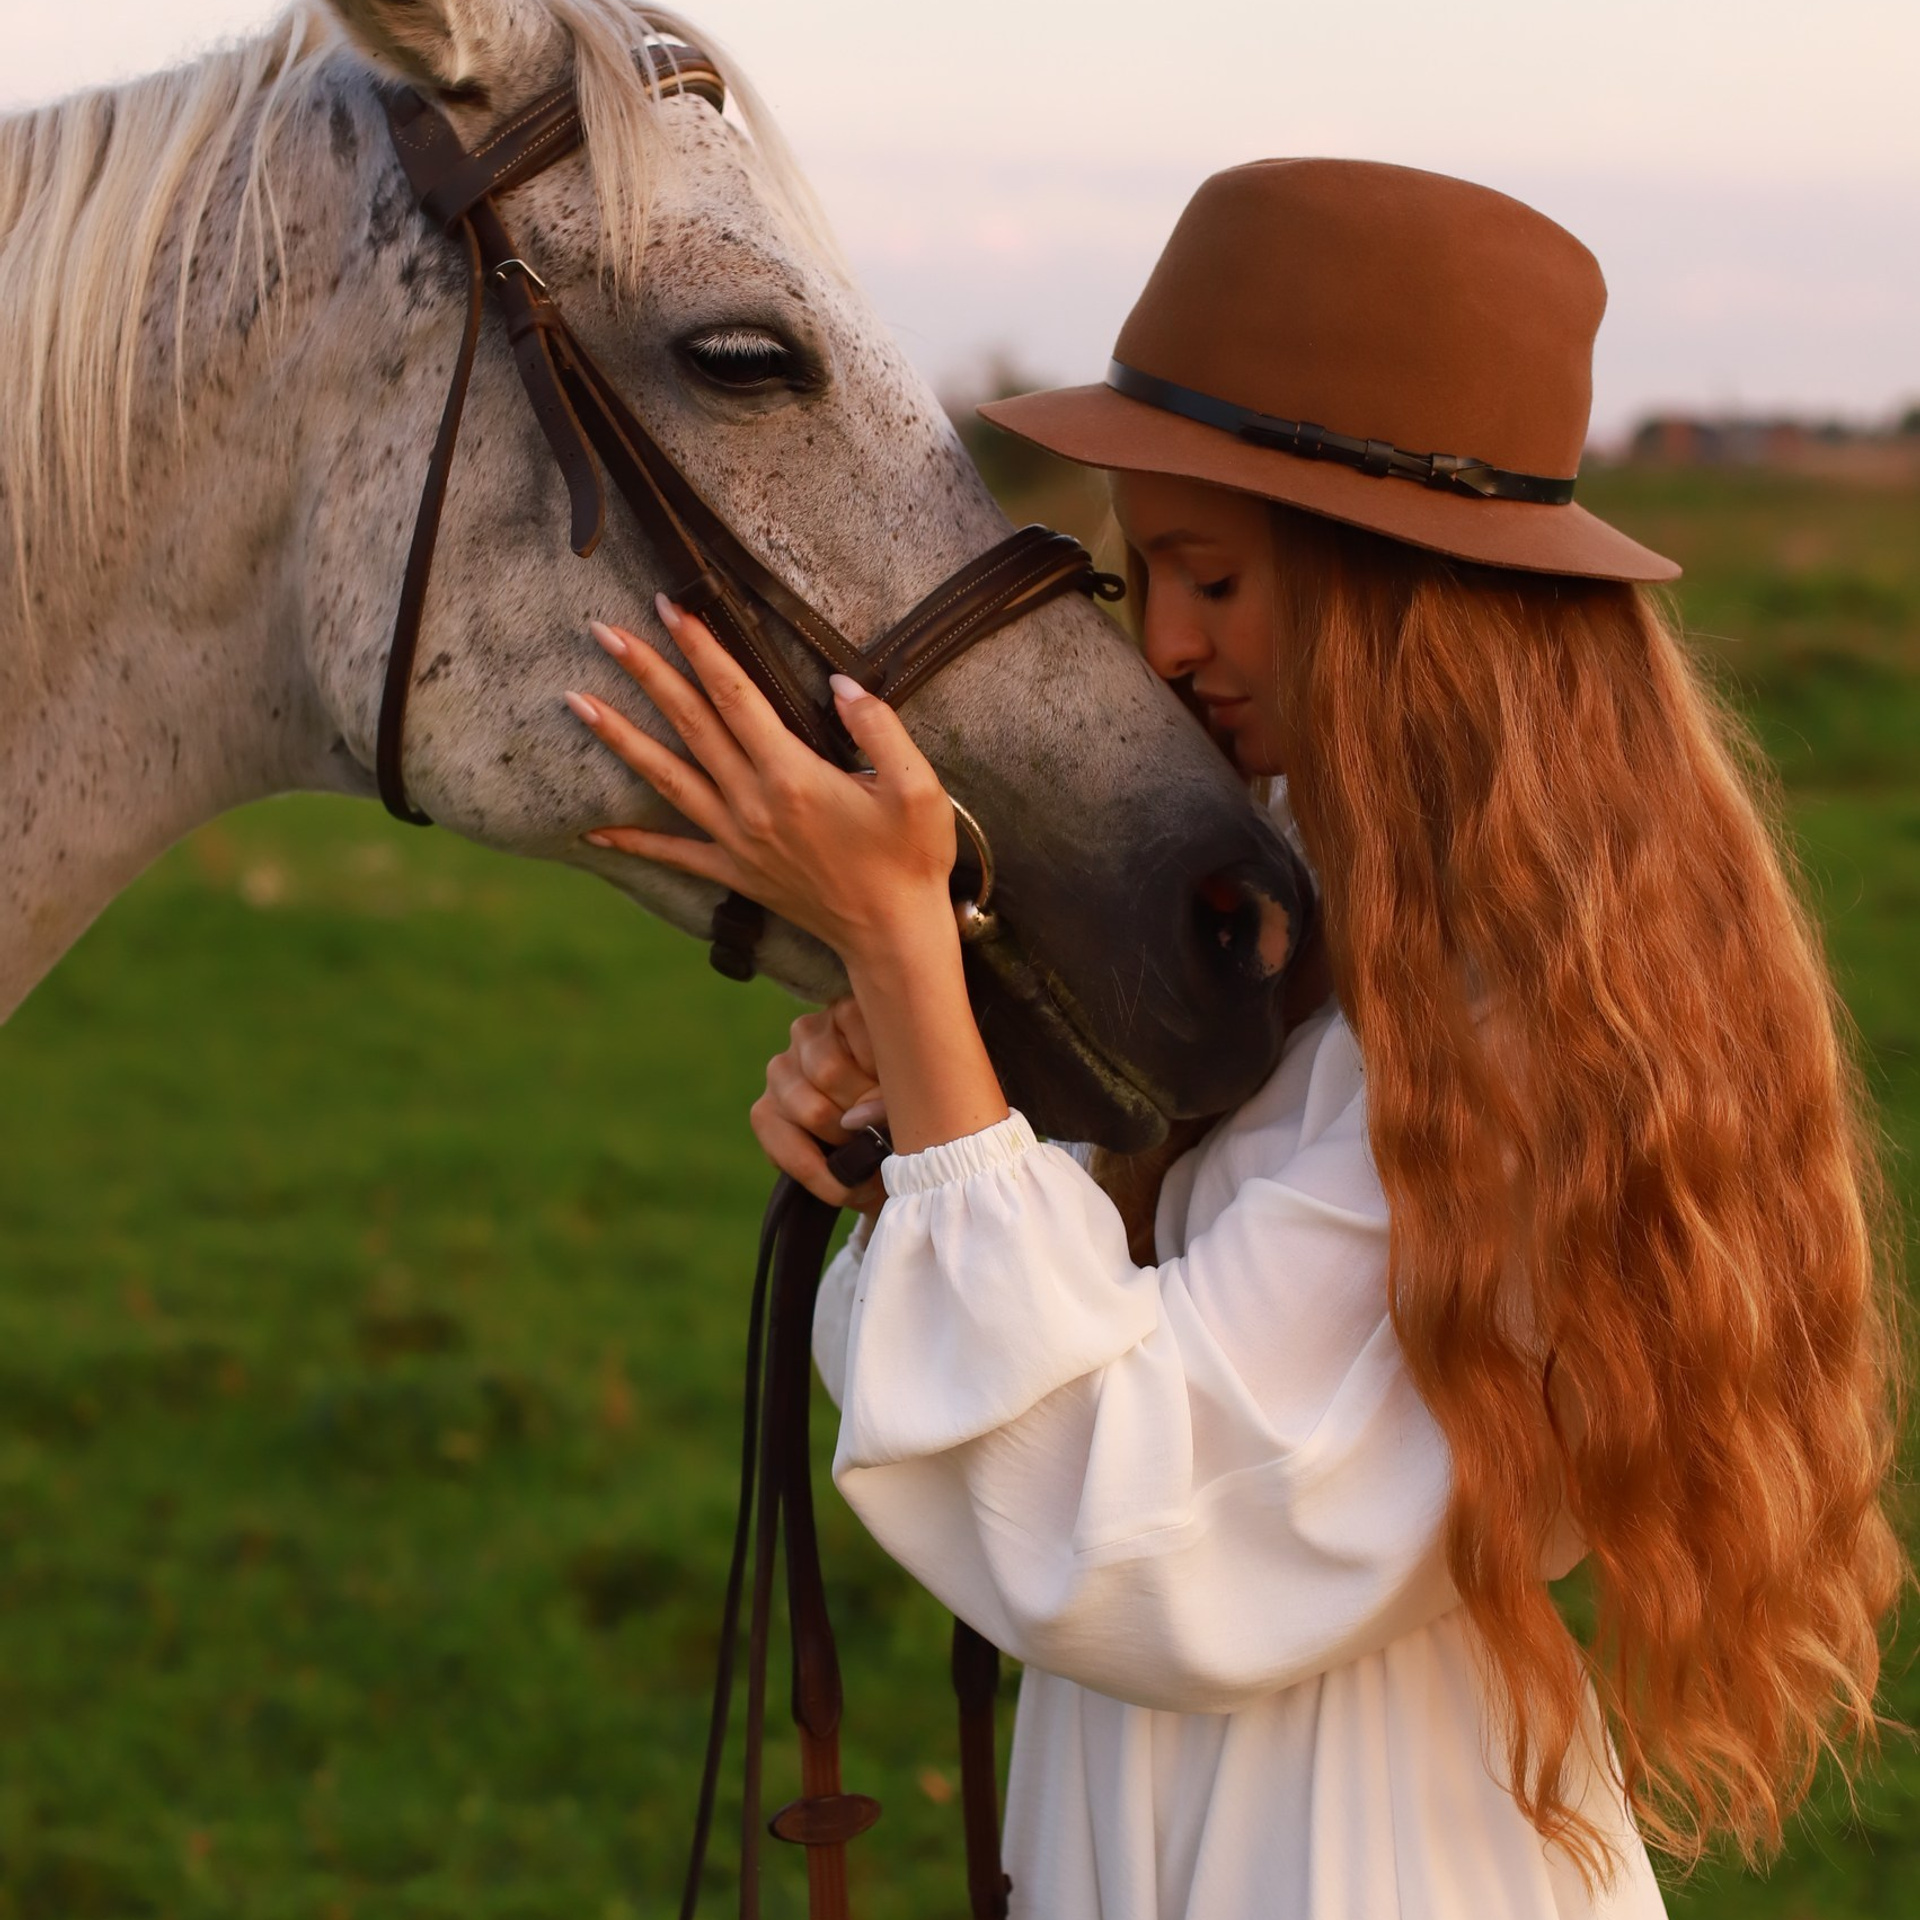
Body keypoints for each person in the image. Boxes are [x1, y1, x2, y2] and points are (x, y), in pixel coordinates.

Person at [561, 161, 1903, 1917]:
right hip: (1220, 1803)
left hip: (1351, 1854)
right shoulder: (1338, 921)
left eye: (1211, 578)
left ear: (1404, 600)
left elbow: (1135, 1528)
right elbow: (1131, 1349)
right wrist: (925, 1121)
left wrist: (901, 947)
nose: (1167, 644)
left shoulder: (1505, 1032)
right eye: (1144, 573)